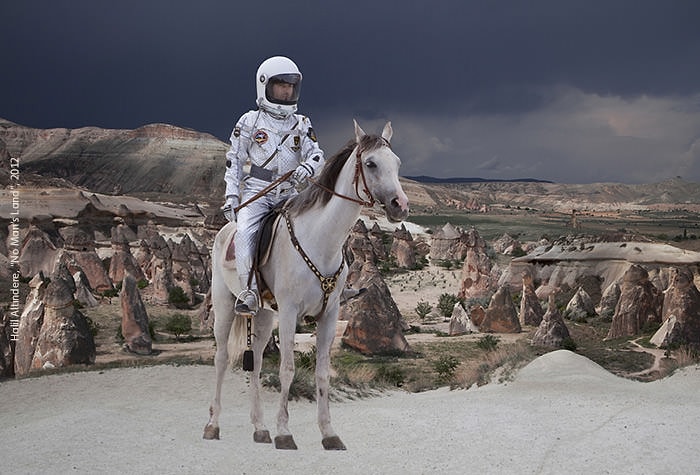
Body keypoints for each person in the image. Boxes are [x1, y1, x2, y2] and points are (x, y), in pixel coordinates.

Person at [222, 56, 325, 313]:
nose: (287, 90)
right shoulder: (249, 122)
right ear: (265, 85)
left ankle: (328, 284)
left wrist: (306, 167)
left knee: (322, 226)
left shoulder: (301, 123)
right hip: (258, 192)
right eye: (281, 85)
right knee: (245, 234)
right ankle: (250, 293)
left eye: (291, 86)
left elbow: (317, 154)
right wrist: (232, 196)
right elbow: (234, 159)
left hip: (291, 194)